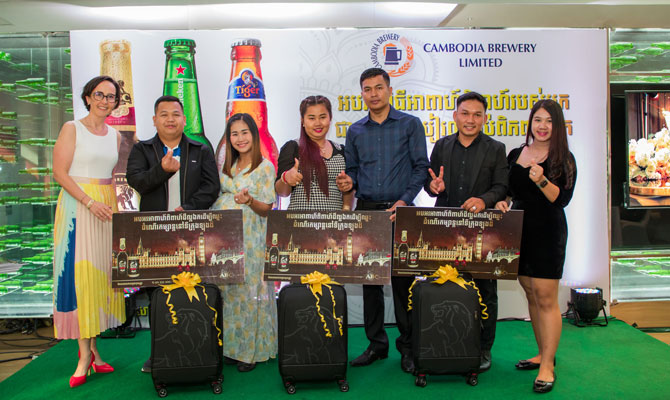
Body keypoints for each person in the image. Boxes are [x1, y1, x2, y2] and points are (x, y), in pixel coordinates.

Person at [336, 68, 429, 373]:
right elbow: (353, 171)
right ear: (361, 93)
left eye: (379, 87)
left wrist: (404, 201)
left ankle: (408, 346)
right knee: (370, 283)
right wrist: (348, 182)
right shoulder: (355, 131)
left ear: (390, 90)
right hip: (367, 212)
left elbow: (421, 167)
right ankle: (376, 344)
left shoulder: (410, 124)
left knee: (403, 283)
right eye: (367, 89)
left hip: (401, 211)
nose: (373, 94)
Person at [126, 95, 219, 373]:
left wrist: (187, 209)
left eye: (175, 114)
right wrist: (162, 171)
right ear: (155, 120)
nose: (170, 119)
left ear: (184, 119)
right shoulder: (142, 149)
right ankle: (159, 354)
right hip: (154, 235)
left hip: (191, 232)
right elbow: (137, 181)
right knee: (158, 295)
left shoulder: (201, 149)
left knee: (193, 293)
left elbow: (211, 188)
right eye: (164, 114)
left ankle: (197, 351)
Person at [495, 99, 576, 394]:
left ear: (558, 126)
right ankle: (542, 353)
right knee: (530, 291)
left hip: (547, 232)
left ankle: (548, 366)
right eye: (538, 120)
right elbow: (508, 190)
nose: (542, 126)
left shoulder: (563, 159)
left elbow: (562, 198)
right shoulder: (516, 153)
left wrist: (541, 180)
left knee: (546, 298)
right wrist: (502, 201)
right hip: (518, 231)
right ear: (530, 122)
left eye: (549, 121)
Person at [425, 91, 508, 373]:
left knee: (485, 292)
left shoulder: (496, 148)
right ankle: (444, 343)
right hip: (444, 231)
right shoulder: (442, 145)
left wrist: (484, 200)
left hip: (481, 232)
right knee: (443, 287)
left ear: (485, 118)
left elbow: (502, 186)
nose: (470, 120)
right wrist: (432, 187)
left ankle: (483, 347)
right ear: (455, 116)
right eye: (465, 113)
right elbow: (430, 182)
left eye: (477, 114)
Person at [52, 75, 126, 388]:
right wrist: (88, 202)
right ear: (87, 97)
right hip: (77, 209)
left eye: (111, 96)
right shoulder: (72, 128)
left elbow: (111, 176)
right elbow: (59, 173)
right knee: (79, 278)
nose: (104, 101)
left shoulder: (116, 136)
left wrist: (110, 207)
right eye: (99, 94)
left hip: (105, 209)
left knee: (99, 278)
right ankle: (83, 356)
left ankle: (94, 351)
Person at [212, 113, 277, 372]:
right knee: (229, 292)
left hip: (252, 240)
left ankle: (251, 351)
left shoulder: (265, 168)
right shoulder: (226, 167)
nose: (240, 138)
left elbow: (267, 208)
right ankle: (232, 347)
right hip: (226, 241)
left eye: (245, 132)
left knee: (250, 293)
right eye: (234, 134)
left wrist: (249, 201)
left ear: (254, 134)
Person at [276, 95, 353, 211]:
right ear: (303, 121)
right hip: (299, 220)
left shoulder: (341, 150)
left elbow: (348, 190)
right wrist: (286, 178)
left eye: (322, 117)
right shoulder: (293, 147)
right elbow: (282, 192)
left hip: (334, 220)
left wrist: (346, 211)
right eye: (311, 118)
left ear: (330, 118)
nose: (318, 123)